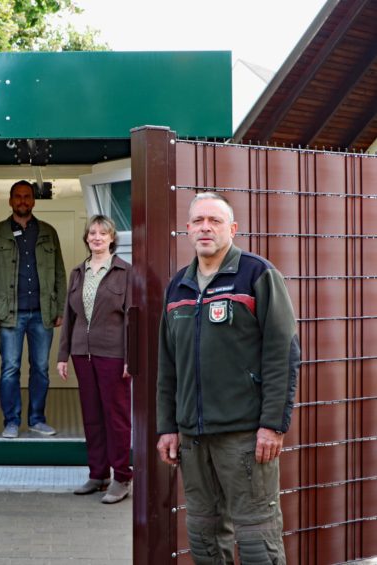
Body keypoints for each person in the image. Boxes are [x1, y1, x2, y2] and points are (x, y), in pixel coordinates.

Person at [156, 192, 300, 564]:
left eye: (215, 221)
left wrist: (273, 424)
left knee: (257, 538)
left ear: (232, 229)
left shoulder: (257, 275)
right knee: (203, 537)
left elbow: (282, 353)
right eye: (198, 221)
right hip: (192, 438)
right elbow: (168, 365)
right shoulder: (178, 287)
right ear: (187, 229)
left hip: (245, 437)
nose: (206, 227)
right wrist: (168, 427)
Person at [0, 180, 66, 438]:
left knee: (40, 368)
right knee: (10, 368)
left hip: (42, 313)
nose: (23, 201)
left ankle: (37, 419)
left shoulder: (49, 232)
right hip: (9, 314)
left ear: (33, 201)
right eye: (18, 197)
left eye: (27, 196)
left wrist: (60, 307)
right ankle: (11, 422)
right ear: (10, 200)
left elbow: (60, 273)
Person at [57, 215, 134, 504]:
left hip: (113, 354)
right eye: (92, 233)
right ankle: (98, 474)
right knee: (91, 416)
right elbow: (70, 317)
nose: (97, 237)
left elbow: (132, 319)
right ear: (86, 238)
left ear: (112, 238)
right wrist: (62, 355)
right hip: (81, 354)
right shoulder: (78, 272)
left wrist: (131, 358)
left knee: (116, 416)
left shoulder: (125, 272)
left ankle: (122, 477)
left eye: (103, 233)